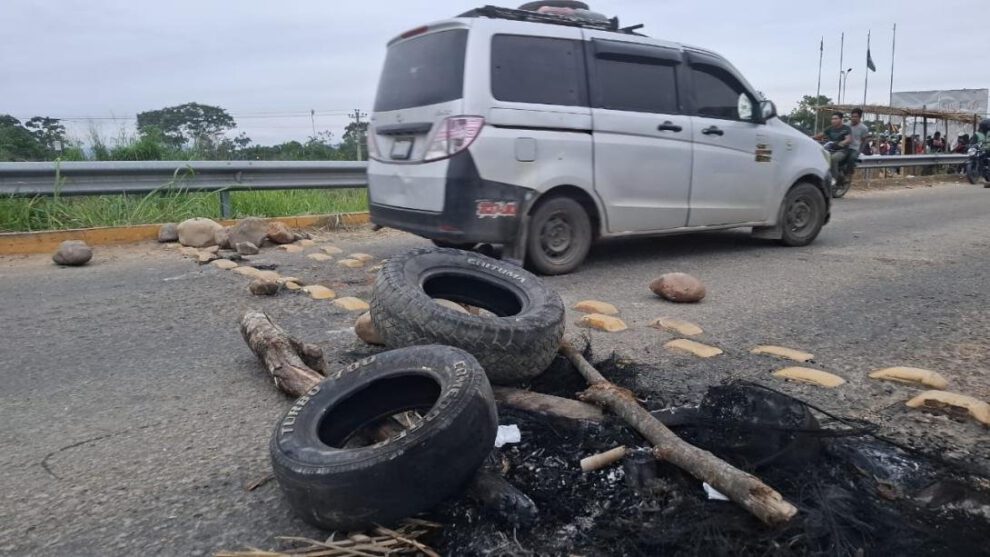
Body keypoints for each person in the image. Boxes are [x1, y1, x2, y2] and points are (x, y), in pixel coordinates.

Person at [823, 111, 852, 178]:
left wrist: (841, 143)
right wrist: (810, 138)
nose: (833, 120)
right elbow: (820, 135)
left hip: (842, 151)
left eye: (835, 119)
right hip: (830, 149)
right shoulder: (830, 128)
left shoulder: (846, 128)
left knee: (833, 159)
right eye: (832, 119)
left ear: (841, 119)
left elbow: (848, 139)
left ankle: (834, 179)